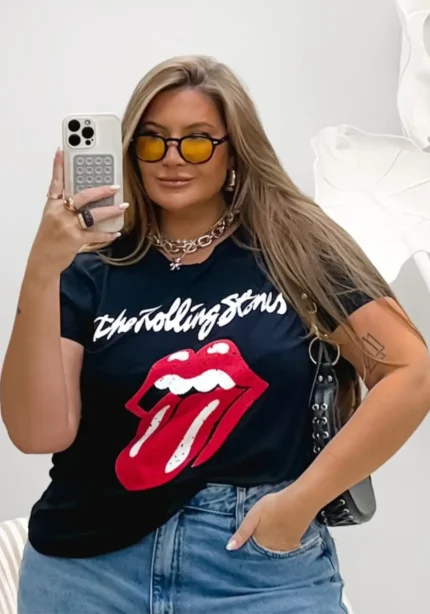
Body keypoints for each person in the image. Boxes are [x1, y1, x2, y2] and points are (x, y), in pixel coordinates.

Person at [1, 55, 429, 614]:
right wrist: (41, 269)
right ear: (130, 150)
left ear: (234, 150)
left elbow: (410, 372)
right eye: (153, 140)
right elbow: (38, 432)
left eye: (198, 141)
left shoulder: (295, 250)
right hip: (87, 571)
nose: (172, 158)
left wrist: (298, 504)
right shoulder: (91, 269)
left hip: (253, 566)